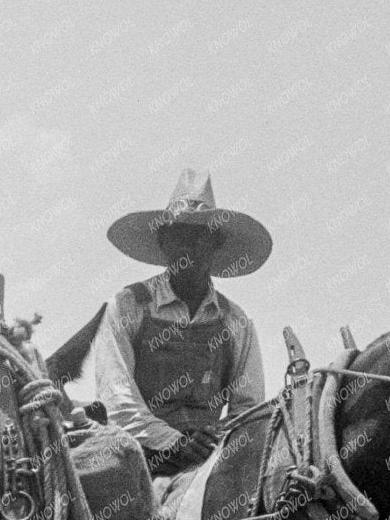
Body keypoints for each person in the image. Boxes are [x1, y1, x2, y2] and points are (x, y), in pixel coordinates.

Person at [93, 169, 270, 496]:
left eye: (200, 236)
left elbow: (249, 410)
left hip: (209, 466)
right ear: (164, 241)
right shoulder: (129, 306)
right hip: (137, 458)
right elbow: (117, 398)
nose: (189, 245)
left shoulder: (235, 321)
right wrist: (173, 443)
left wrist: (214, 444)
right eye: (179, 235)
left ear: (216, 243)